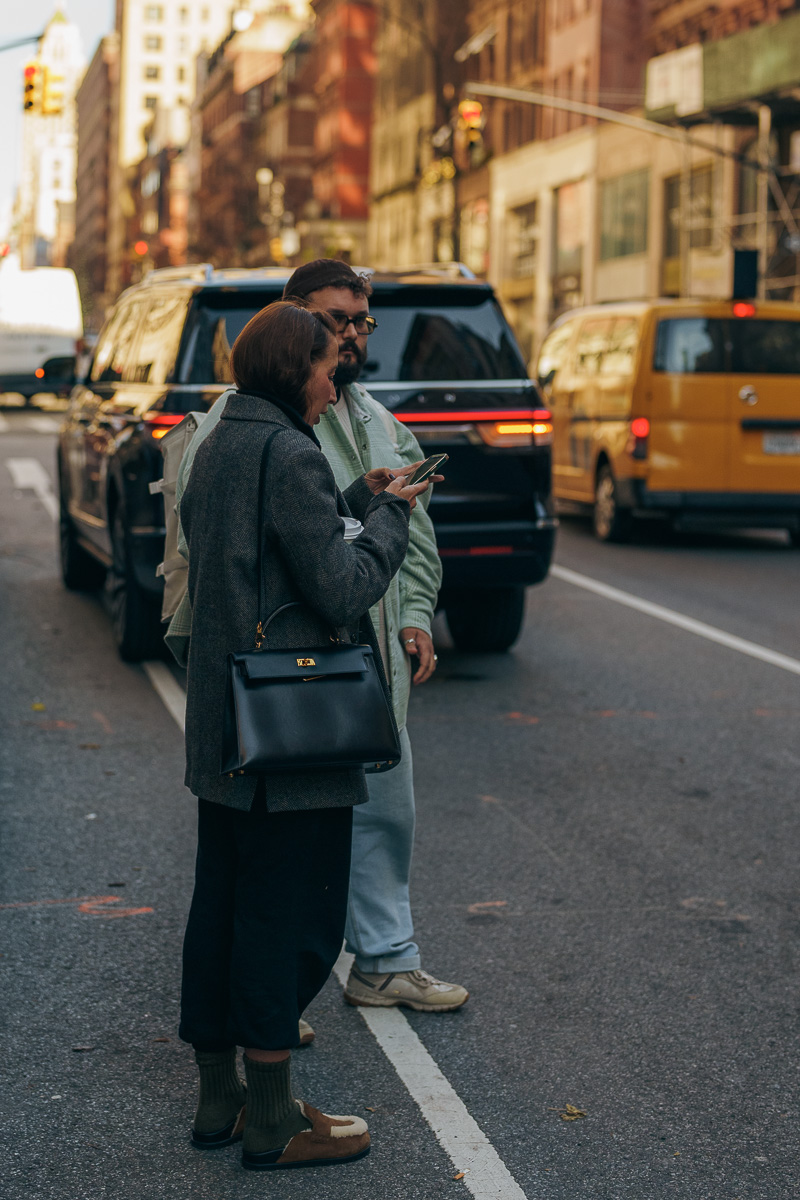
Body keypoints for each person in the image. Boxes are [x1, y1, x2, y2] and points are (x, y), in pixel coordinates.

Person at [178, 300, 430, 1171]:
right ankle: (274, 1119)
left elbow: (258, 550)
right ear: (295, 370)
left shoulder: (219, 445)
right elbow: (338, 586)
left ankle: (220, 1102)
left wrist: (356, 495)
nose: (335, 381)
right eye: (327, 366)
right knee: (291, 920)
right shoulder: (291, 453)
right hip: (292, 734)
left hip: (224, 727)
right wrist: (390, 520)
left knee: (221, 910)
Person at [283, 260, 469, 1013]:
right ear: (292, 317)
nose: (351, 335)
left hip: (377, 659)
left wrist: (417, 615)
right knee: (295, 833)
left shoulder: (380, 421)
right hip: (297, 663)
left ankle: (386, 960)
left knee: (388, 812)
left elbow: (414, 537)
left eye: (361, 321)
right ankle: (274, 999)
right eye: (335, 320)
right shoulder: (264, 417)